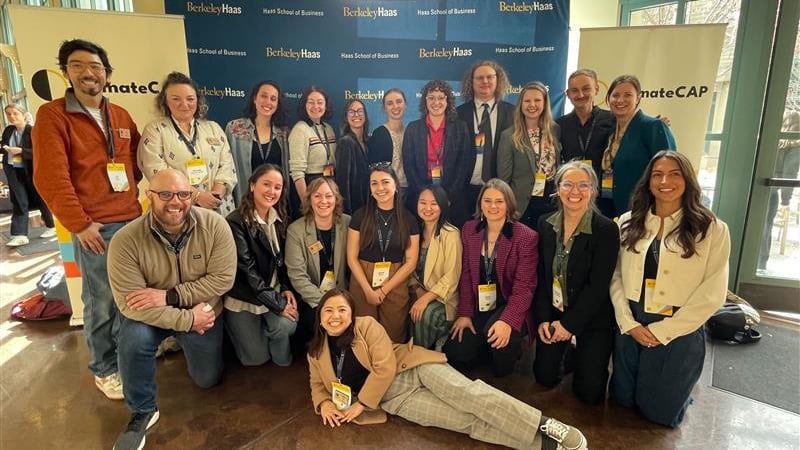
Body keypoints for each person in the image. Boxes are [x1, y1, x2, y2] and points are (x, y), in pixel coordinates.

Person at [307, 289, 588, 450]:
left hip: (412, 369)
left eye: (342, 310)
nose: (335, 316)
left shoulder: (366, 326)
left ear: (351, 312)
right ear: (320, 319)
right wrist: (323, 404)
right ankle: (543, 445)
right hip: (396, 400)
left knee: (473, 397)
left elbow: (385, 367)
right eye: (329, 311)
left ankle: (544, 424)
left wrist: (360, 405)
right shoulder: (316, 352)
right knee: (463, 422)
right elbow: (317, 385)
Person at [32, 39, 142, 401]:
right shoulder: (53, 116)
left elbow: (137, 164)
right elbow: (50, 178)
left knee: (133, 298)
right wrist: (80, 224)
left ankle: (130, 357)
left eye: (95, 66)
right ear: (66, 72)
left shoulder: (121, 116)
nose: (88, 73)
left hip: (132, 222)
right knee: (102, 302)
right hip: (96, 228)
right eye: (78, 66)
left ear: (106, 73)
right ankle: (105, 368)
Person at [107, 169, 236, 450]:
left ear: (191, 196)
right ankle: (142, 410)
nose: (175, 201)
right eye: (165, 194)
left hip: (201, 312)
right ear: (149, 196)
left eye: (183, 194)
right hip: (174, 317)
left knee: (207, 380)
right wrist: (187, 319)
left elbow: (223, 279)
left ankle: (182, 345)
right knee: (132, 340)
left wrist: (171, 296)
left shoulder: (215, 226)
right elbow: (131, 303)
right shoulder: (125, 241)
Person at [610, 151, 730, 427]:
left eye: (675, 174)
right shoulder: (628, 221)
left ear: (688, 179)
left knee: (660, 414)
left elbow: (712, 293)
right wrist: (627, 322)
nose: (665, 181)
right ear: (648, 181)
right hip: (633, 320)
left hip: (679, 326)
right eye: (658, 174)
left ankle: (679, 391)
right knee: (623, 401)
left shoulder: (711, 228)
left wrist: (663, 331)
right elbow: (615, 275)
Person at [532, 161, 619, 405]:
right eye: (568, 184)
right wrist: (543, 320)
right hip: (555, 311)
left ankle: (585, 352)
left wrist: (569, 326)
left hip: (592, 317)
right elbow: (540, 277)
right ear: (557, 188)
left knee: (590, 393)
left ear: (593, 190)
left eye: (583, 185)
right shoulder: (545, 224)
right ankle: (570, 352)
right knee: (544, 377)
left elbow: (598, 287)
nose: (575, 192)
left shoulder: (606, 230)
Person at [444, 179, 538, 377]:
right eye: (487, 201)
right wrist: (465, 313)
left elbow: (524, 287)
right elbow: (466, 276)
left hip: (510, 303)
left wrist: (507, 321)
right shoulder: (470, 229)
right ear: (480, 203)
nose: (492, 206)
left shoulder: (525, 236)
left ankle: (513, 347)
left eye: (499, 201)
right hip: (481, 304)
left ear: (509, 204)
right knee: (457, 354)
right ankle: (485, 342)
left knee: (500, 364)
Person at [226, 164, 298, 367]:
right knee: (256, 359)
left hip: (271, 290)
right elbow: (247, 271)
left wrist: (284, 288)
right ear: (252, 185)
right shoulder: (235, 222)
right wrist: (278, 305)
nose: (272, 191)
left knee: (288, 324)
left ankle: (271, 334)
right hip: (245, 297)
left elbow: (283, 261)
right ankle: (253, 334)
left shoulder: (281, 217)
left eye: (278, 187)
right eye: (266, 184)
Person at [138, 71, 237, 216]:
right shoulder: (156, 130)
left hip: (218, 208)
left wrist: (216, 194)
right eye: (176, 99)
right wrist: (196, 196)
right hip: (176, 209)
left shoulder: (213, 128)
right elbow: (157, 172)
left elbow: (227, 165)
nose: (184, 104)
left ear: (198, 100)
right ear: (165, 101)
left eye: (190, 99)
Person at [347, 164, 419, 343]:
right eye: (374, 183)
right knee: (364, 335)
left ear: (396, 186)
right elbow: (351, 257)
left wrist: (384, 290)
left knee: (393, 334)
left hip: (395, 280)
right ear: (370, 189)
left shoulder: (409, 219)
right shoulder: (359, 216)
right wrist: (367, 290)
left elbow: (411, 261)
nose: (380, 188)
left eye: (385, 182)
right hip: (362, 278)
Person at [286, 177, 351, 350]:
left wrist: (341, 300)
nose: (323, 201)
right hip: (312, 299)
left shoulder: (348, 223)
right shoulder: (296, 230)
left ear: (336, 199)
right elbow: (297, 276)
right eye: (317, 196)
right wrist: (325, 302)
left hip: (344, 294)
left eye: (329, 196)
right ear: (309, 199)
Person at [601, 74, 676, 217]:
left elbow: (669, 171)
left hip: (643, 209)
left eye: (627, 95)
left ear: (638, 98)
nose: (620, 100)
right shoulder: (610, 129)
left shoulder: (653, 127)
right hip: (612, 208)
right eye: (615, 95)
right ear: (608, 99)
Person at [402, 80, 473, 226]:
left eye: (441, 97)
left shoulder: (460, 128)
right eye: (432, 97)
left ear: (448, 101)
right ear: (425, 101)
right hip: (420, 193)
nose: (436, 102)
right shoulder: (413, 128)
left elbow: (464, 164)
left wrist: (447, 196)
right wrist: (424, 194)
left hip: (452, 195)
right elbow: (409, 165)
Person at [497, 81, 562, 231]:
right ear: (520, 104)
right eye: (527, 101)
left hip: (551, 200)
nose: (532, 104)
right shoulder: (509, 136)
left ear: (545, 103)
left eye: (537, 100)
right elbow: (504, 179)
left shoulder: (555, 130)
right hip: (522, 203)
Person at [457, 61, 515, 216]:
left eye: (490, 77)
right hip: (465, 188)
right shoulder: (458, 114)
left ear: (498, 80)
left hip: (497, 189)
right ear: (472, 82)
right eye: (479, 78)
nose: (485, 81)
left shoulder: (513, 113)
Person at [555, 69, 615, 217]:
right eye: (575, 90)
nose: (580, 95)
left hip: (604, 196)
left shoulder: (612, 120)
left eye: (586, 89)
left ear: (596, 89)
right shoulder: (559, 125)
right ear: (568, 94)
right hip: (571, 196)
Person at [409, 185, 462, 350]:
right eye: (422, 203)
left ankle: (421, 357)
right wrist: (418, 291)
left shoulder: (451, 234)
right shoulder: (415, 230)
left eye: (434, 203)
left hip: (442, 298)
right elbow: (407, 266)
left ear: (443, 205)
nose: (427, 208)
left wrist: (425, 298)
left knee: (425, 315)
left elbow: (452, 276)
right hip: (416, 290)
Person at [225, 80, 291, 209]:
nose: (268, 102)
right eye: (264, 96)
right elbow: (227, 167)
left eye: (273, 99)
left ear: (277, 104)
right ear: (255, 99)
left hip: (274, 202)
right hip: (245, 201)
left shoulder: (283, 134)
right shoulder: (235, 129)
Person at [1, 103, 55, 246]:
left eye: (15, 113)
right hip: (14, 170)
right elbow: (4, 147)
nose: (12, 117)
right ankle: (20, 234)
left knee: (40, 197)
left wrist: (20, 151)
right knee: (19, 200)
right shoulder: (8, 131)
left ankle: (52, 225)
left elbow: (41, 151)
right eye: (9, 114)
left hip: (32, 169)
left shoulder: (33, 131)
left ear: (23, 115)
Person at [759, 109, 800, 271]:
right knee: (766, 226)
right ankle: (761, 265)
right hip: (773, 189)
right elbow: (789, 173)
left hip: (759, 187)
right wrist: (785, 201)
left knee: (758, 226)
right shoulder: (796, 145)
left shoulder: (774, 142)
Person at [289, 86, 337, 203]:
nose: (316, 106)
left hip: (328, 183)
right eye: (311, 102)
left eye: (320, 102)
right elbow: (297, 173)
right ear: (304, 105)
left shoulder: (328, 129)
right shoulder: (300, 130)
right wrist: (307, 204)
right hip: (309, 188)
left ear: (326, 105)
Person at [367, 89, 408, 200]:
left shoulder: (411, 132)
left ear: (405, 104)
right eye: (390, 103)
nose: (395, 106)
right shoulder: (379, 134)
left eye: (399, 101)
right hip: (387, 193)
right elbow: (375, 171)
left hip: (409, 194)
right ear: (384, 108)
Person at [335, 99, 370, 214]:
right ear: (346, 117)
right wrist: (347, 213)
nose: (356, 115)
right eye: (351, 112)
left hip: (366, 205)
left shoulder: (366, 142)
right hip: (353, 209)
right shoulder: (346, 142)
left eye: (360, 111)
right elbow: (343, 183)